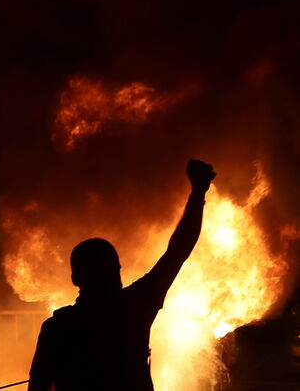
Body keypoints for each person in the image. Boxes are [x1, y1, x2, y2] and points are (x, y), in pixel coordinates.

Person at [27, 159, 216, 391]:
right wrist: (197, 193)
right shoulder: (134, 306)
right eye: (114, 269)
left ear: (76, 279)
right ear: (116, 271)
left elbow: (38, 386)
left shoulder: (57, 327)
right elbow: (178, 250)